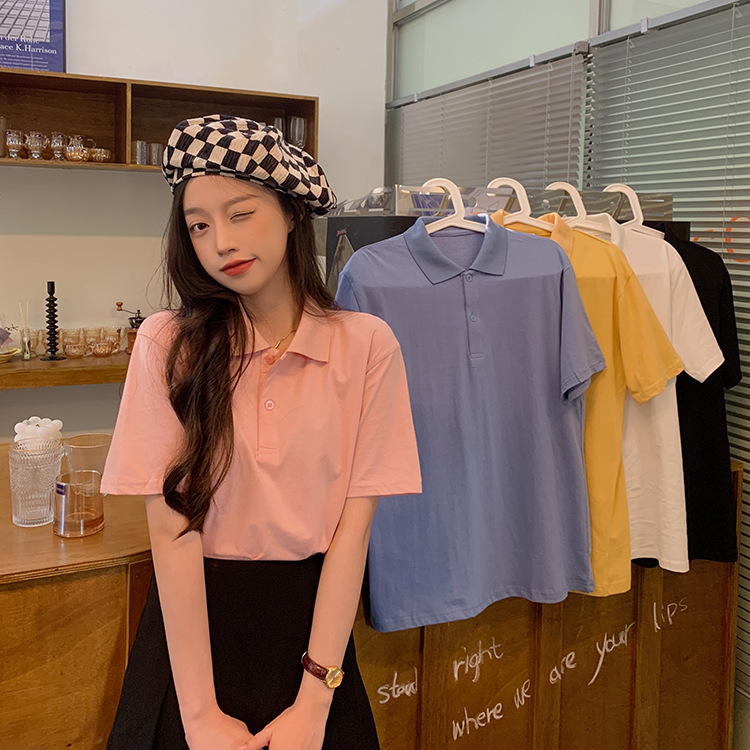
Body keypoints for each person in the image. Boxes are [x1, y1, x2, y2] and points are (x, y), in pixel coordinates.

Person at [101, 115, 422, 750]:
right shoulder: (168, 344)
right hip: (190, 642)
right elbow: (171, 532)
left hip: (313, 639)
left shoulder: (366, 346)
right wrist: (199, 716)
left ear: (292, 211)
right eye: (198, 225)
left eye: (241, 213)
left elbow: (352, 532)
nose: (221, 242)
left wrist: (315, 701)